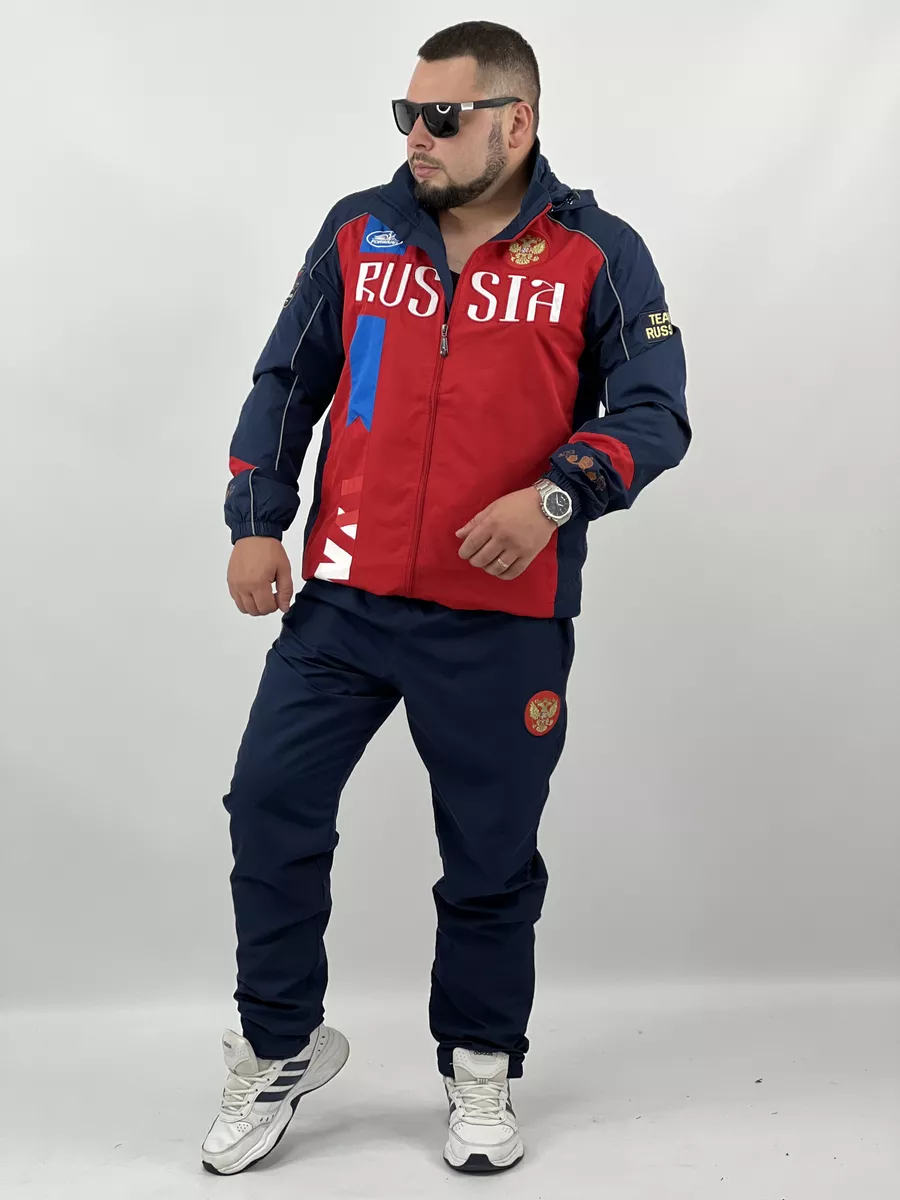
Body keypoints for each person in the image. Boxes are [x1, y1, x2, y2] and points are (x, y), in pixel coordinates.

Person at [201, 20, 690, 1178]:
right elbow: (289, 378)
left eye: (441, 117)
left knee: (489, 854)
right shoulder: (359, 232)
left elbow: (653, 411)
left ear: (516, 123)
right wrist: (256, 518)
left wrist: (556, 497)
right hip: (343, 603)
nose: (415, 136)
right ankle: (280, 1043)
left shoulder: (598, 254)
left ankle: (481, 1061)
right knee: (267, 808)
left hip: (500, 622)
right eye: (406, 115)